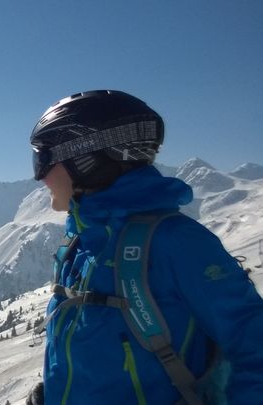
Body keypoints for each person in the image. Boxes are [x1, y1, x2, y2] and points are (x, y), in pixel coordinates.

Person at [29, 90, 263, 404]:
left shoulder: (176, 242)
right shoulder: (80, 245)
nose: (39, 177)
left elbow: (254, 348)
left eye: (43, 160)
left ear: (85, 162)